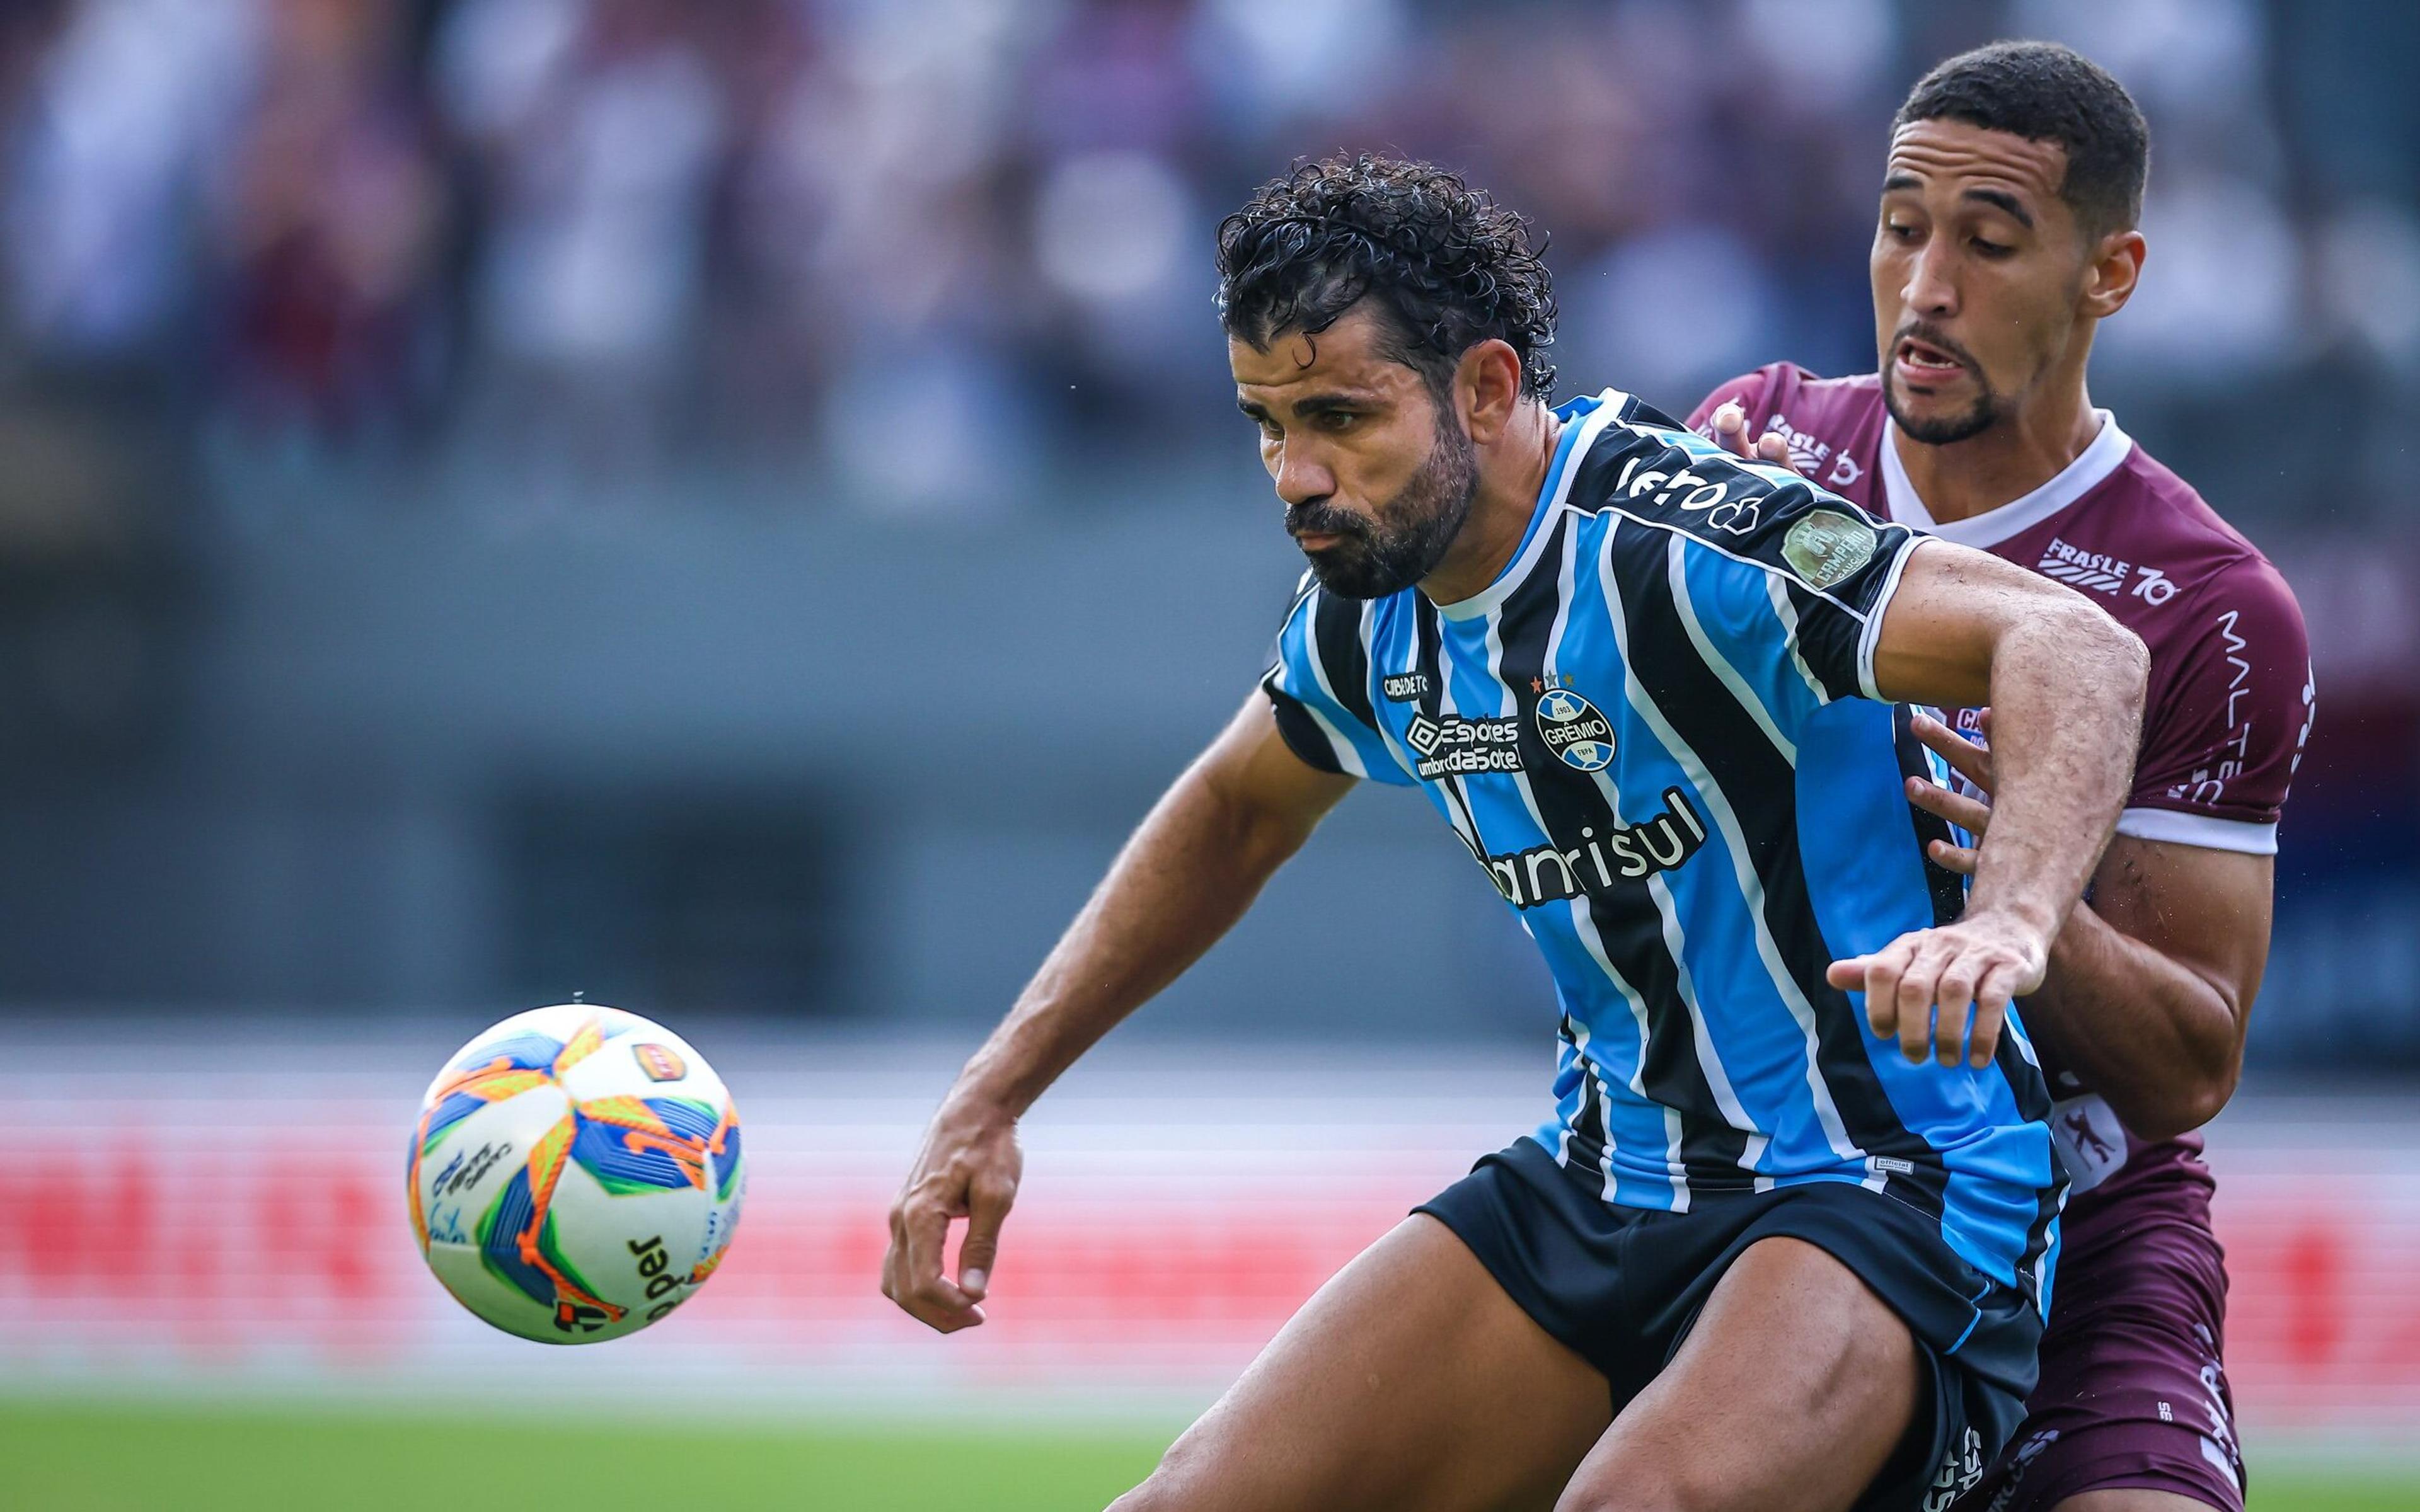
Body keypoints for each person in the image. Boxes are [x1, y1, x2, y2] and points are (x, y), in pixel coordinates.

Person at [883, 153, 2152, 1512]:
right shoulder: (1367, 611)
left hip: (1888, 1187)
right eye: (1265, 423)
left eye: (1338, 416)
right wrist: (992, 1095)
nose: (1295, 475)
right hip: (1608, 1180)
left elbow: (2075, 645)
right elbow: (1239, 808)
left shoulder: (1680, 544)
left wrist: (2013, 919)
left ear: (1486, 389)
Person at [1691, 42, 2313, 1512]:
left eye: (1989, 242)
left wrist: (2024, 894)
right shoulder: (1759, 453)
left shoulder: (2210, 607)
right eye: (1902, 227)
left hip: (2077, 1230)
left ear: (2112, 274)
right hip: (1763, 1198)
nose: (1927, 289)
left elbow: (2189, 1066)